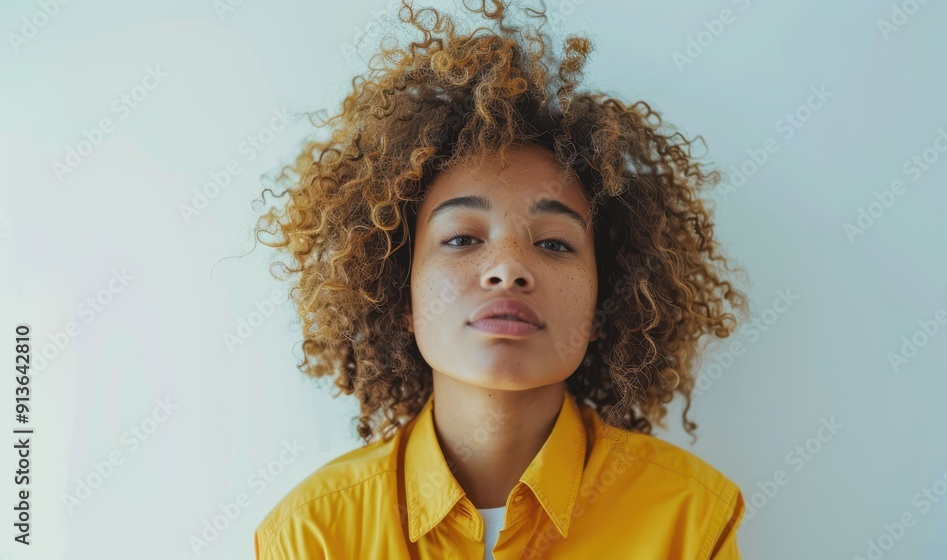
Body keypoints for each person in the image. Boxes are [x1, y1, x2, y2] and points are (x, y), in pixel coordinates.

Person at [252, 0, 751, 558]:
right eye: (463, 239)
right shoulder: (311, 535)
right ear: (401, 293)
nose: (509, 268)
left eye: (555, 244)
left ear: (604, 304)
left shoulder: (689, 519)